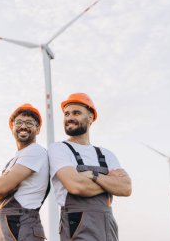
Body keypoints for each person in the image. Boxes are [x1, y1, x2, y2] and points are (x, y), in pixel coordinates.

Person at [48, 93, 132, 241]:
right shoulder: (59, 149)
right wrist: (110, 183)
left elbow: (126, 188)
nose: (69, 117)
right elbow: (75, 186)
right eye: (66, 114)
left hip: (107, 226)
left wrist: (94, 176)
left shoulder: (106, 154)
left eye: (76, 113)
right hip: (77, 224)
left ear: (91, 118)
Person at [0, 103, 50, 241]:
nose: (23, 126)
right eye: (19, 122)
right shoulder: (13, 160)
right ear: (12, 127)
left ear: (38, 129)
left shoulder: (35, 152)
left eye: (29, 123)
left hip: (22, 226)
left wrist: (0, 184)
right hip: (9, 228)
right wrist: (2, 186)